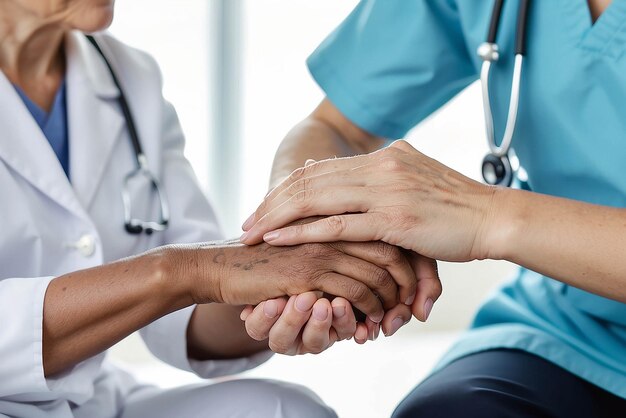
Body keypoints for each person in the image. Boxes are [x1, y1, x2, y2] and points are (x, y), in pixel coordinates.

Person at [0, 1, 420, 417]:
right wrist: (183, 272)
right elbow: (195, 271)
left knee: (285, 411)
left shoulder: (129, 76)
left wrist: (298, 285)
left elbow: (190, 314)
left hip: (88, 401)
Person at [240, 0, 626, 416]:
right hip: (577, 329)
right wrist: (311, 240)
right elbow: (333, 128)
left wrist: (486, 218)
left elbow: (483, 217)